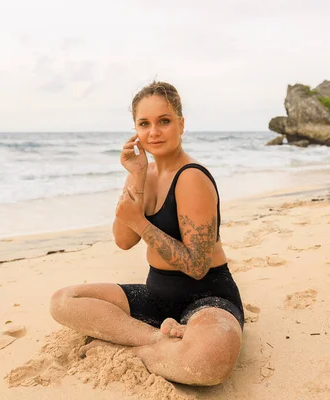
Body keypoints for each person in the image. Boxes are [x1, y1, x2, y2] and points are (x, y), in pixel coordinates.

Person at [50, 81, 244, 386]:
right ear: (135, 130)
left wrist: (140, 222)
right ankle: (157, 339)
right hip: (156, 295)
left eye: (164, 121)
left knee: (208, 365)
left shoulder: (191, 176)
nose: (154, 132)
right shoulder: (143, 173)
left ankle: (139, 350)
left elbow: (197, 266)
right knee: (64, 300)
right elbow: (123, 241)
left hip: (207, 297)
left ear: (181, 124)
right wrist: (136, 175)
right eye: (144, 124)